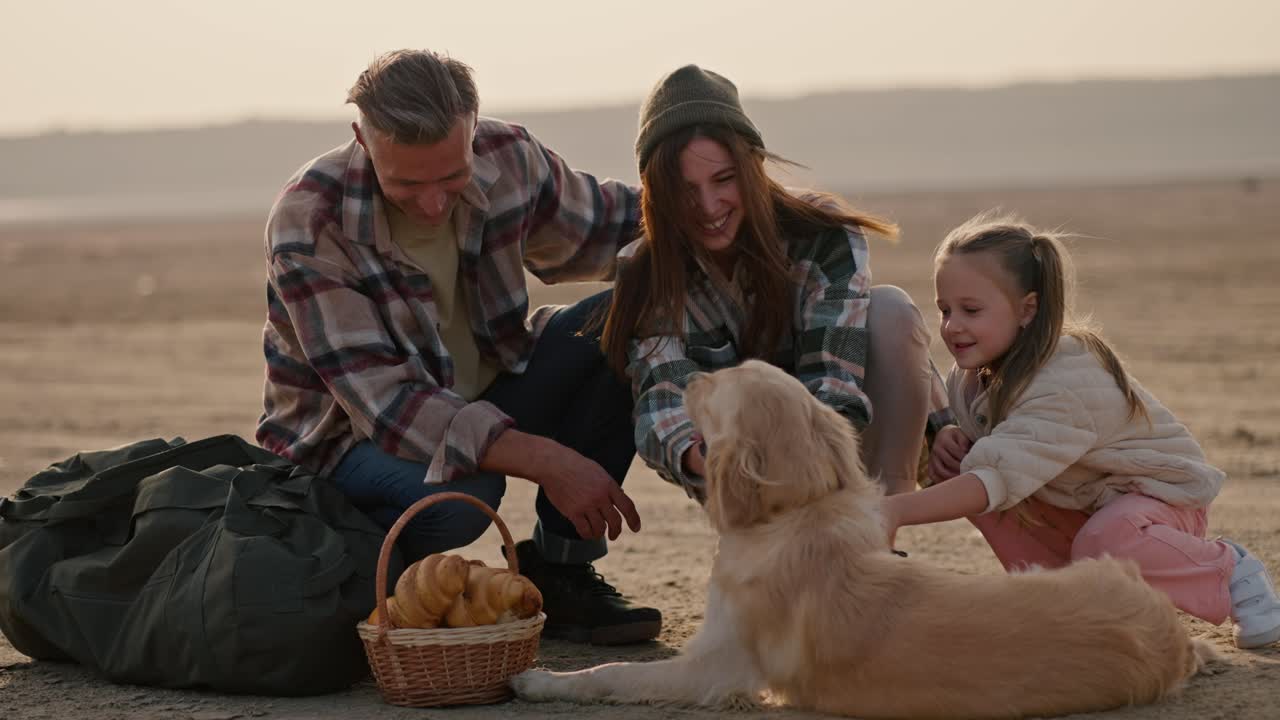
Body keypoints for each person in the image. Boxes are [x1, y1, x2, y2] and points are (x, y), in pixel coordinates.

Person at [256, 49, 661, 645]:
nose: (433, 204)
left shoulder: (508, 157)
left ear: (472, 125)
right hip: (349, 442)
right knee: (464, 498)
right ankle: (373, 574)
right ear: (362, 140)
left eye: (452, 178)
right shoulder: (310, 223)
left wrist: (757, 216)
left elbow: (615, 225)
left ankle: (562, 571)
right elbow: (390, 406)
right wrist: (554, 463)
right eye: (407, 184)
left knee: (622, 316)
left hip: (486, 389)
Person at [882, 212, 1280, 649]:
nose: (952, 326)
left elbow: (997, 477)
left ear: (1027, 309)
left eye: (971, 310)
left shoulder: (1065, 379)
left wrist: (895, 511)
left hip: (1157, 503)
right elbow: (1002, 457)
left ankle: (1227, 569)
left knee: (1099, 537)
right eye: (944, 310)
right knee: (964, 470)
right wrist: (954, 435)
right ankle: (1063, 602)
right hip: (1079, 502)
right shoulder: (972, 376)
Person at [598, 64, 949, 501]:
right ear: (658, 193)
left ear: (754, 166)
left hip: (834, 443)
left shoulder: (824, 235)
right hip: (734, 471)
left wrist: (799, 462)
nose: (708, 206)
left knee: (891, 311)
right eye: (685, 189)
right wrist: (704, 456)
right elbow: (662, 394)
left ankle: (880, 532)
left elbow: (835, 382)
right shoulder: (643, 270)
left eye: (724, 180)